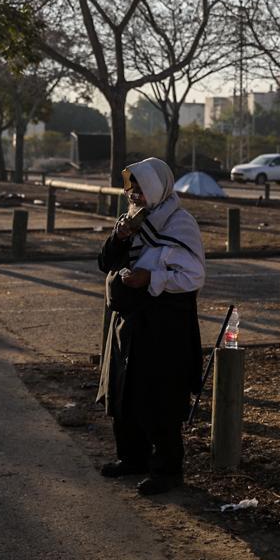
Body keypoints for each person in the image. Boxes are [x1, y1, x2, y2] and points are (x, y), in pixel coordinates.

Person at [96, 157, 205, 496]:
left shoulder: (179, 224)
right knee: (126, 393)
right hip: (128, 322)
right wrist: (119, 237)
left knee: (160, 397)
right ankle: (132, 457)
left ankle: (167, 470)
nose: (134, 195)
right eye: (131, 188)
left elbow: (193, 276)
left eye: (141, 188)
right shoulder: (131, 220)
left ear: (157, 188)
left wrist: (151, 278)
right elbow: (105, 262)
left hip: (164, 326)